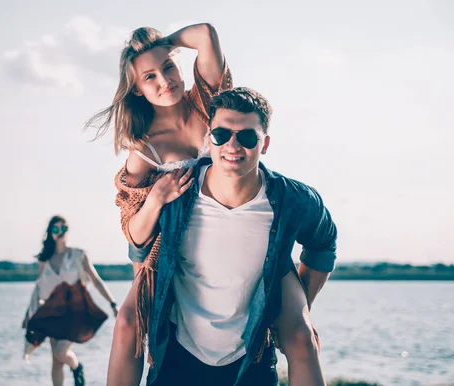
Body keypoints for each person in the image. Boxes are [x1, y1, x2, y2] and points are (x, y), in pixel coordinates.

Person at [115, 87, 338, 385]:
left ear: (265, 144)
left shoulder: (292, 200)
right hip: (179, 353)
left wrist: (298, 308)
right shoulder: (178, 192)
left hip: (250, 357)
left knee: (302, 336)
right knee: (126, 322)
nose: (232, 146)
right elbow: (140, 247)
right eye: (221, 135)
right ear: (209, 137)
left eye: (246, 137)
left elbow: (323, 244)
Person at [84, 22, 232, 386]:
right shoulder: (145, 148)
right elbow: (133, 234)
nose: (164, 80)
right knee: (128, 325)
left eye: (168, 66)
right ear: (136, 88)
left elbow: (205, 34)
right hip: (160, 249)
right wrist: (156, 198)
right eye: (149, 76)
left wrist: (158, 45)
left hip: (222, 232)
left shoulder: (208, 103)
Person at [22, 215, 120, 386]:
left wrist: (112, 303)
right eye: (56, 229)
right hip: (53, 311)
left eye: (63, 228)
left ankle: (77, 367)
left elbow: (96, 280)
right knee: (56, 361)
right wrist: (28, 314)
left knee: (61, 352)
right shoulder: (45, 259)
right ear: (50, 232)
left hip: (75, 312)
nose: (60, 232)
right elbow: (38, 288)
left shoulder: (78, 255)